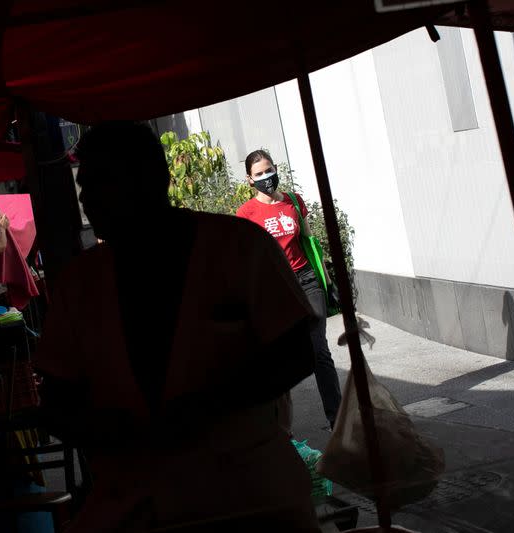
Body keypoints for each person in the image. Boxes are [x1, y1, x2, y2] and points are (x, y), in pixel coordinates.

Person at [34, 122, 321, 532]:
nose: (87, 198)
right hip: (136, 504)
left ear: (155, 179)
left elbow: (296, 353)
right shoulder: (80, 284)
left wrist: (210, 405)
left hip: (251, 497)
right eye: (84, 185)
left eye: (102, 182)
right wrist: (109, 429)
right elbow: (57, 400)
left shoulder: (238, 247)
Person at [236, 149, 342, 430]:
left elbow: (309, 242)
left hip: (306, 280)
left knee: (319, 351)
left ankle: (338, 419)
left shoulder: (293, 202)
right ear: (249, 179)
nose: (266, 177)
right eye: (259, 174)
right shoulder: (246, 213)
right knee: (278, 358)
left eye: (268, 170)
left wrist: (328, 282)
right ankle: (279, 429)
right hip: (274, 289)